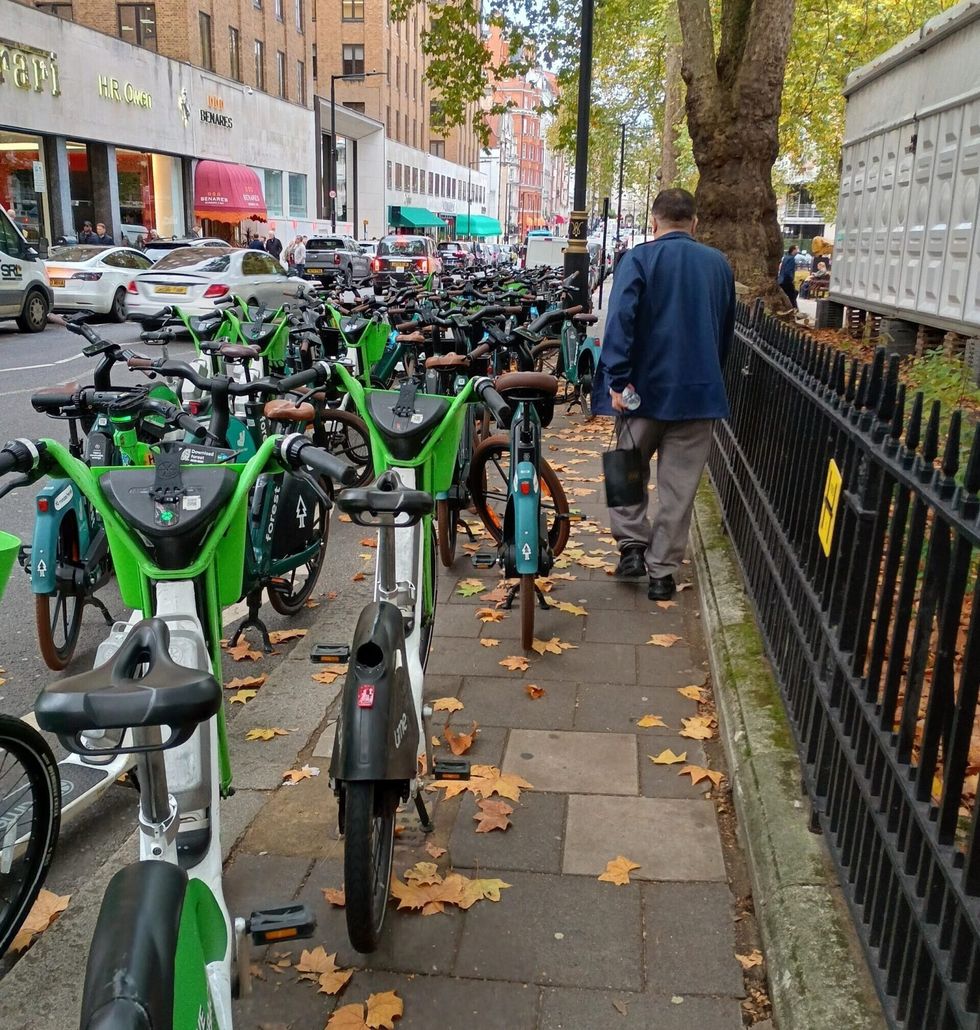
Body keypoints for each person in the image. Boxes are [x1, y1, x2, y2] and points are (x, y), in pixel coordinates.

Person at [592, 187, 735, 601]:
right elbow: (724, 328)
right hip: (697, 393)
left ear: (654, 223)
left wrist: (617, 379)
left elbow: (621, 319)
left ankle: (631, 548)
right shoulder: (718, 265)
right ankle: (662, 573)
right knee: (679, 489)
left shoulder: (638, 259)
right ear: (695, 223)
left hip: (642, 391)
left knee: (626, 469)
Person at [778, 245, 799, 309]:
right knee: (792, 296)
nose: (798, 250)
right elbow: (788, 271)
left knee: (790, 294)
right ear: (793, 250)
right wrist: (791, 279)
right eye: (797, 249)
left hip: (782, 280)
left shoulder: (786, 257)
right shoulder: (791, 259)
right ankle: (794, 309)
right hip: (787, 280)